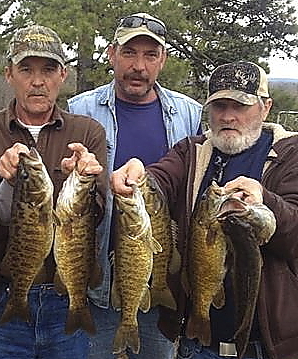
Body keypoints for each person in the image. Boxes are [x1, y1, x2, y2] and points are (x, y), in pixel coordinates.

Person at [110, 61, 298, 359]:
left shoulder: (290, 154)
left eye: (240, 106)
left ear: (265, 107)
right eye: (219, 106)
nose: (227, 116)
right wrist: (140, 175)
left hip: (266, 346)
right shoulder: (192, 151)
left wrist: (266, 200)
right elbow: (162, 177)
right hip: (197, 345)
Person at [67, 12, 202, 359]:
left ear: (163, 60)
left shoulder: (190, 115)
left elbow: (234, 142)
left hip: (159, 281)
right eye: (129, 53)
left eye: (150, 55)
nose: (138, 66)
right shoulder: (79, 111)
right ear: (111, 54)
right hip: (94, 283)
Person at [0, 25, 108, 359]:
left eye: (47, 70)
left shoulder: (87, 132)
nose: (37, 80)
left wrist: (85, 183)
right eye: (26, 69)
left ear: (63, 75)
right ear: (9, 74)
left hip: (64, 296)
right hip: (1, 294)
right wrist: (3, 180)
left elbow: (100, 211)